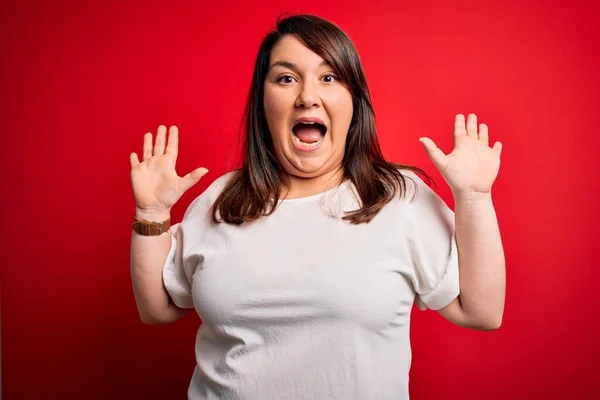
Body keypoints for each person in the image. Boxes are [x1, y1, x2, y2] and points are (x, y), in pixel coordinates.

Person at [128, 14, 505, 400]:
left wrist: (474, 197)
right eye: (286, 78)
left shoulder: (398, 198)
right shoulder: (220, 200)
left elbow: (482, 311)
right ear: (263, 102)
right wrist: (151, 214)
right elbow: (157, 309)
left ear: (355, 101)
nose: (307, 96)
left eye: (329, 78)